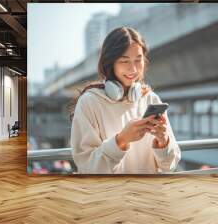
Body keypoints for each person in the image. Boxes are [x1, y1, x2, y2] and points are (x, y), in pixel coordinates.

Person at [70, 27, 181, 174]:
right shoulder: (89, 102)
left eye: (138, 60)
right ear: (110, 62)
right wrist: (121, 140)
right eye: (124, 61)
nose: (133, 69)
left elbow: (169, 166)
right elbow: (87, 169)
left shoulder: (150, 99)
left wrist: (163, 142)